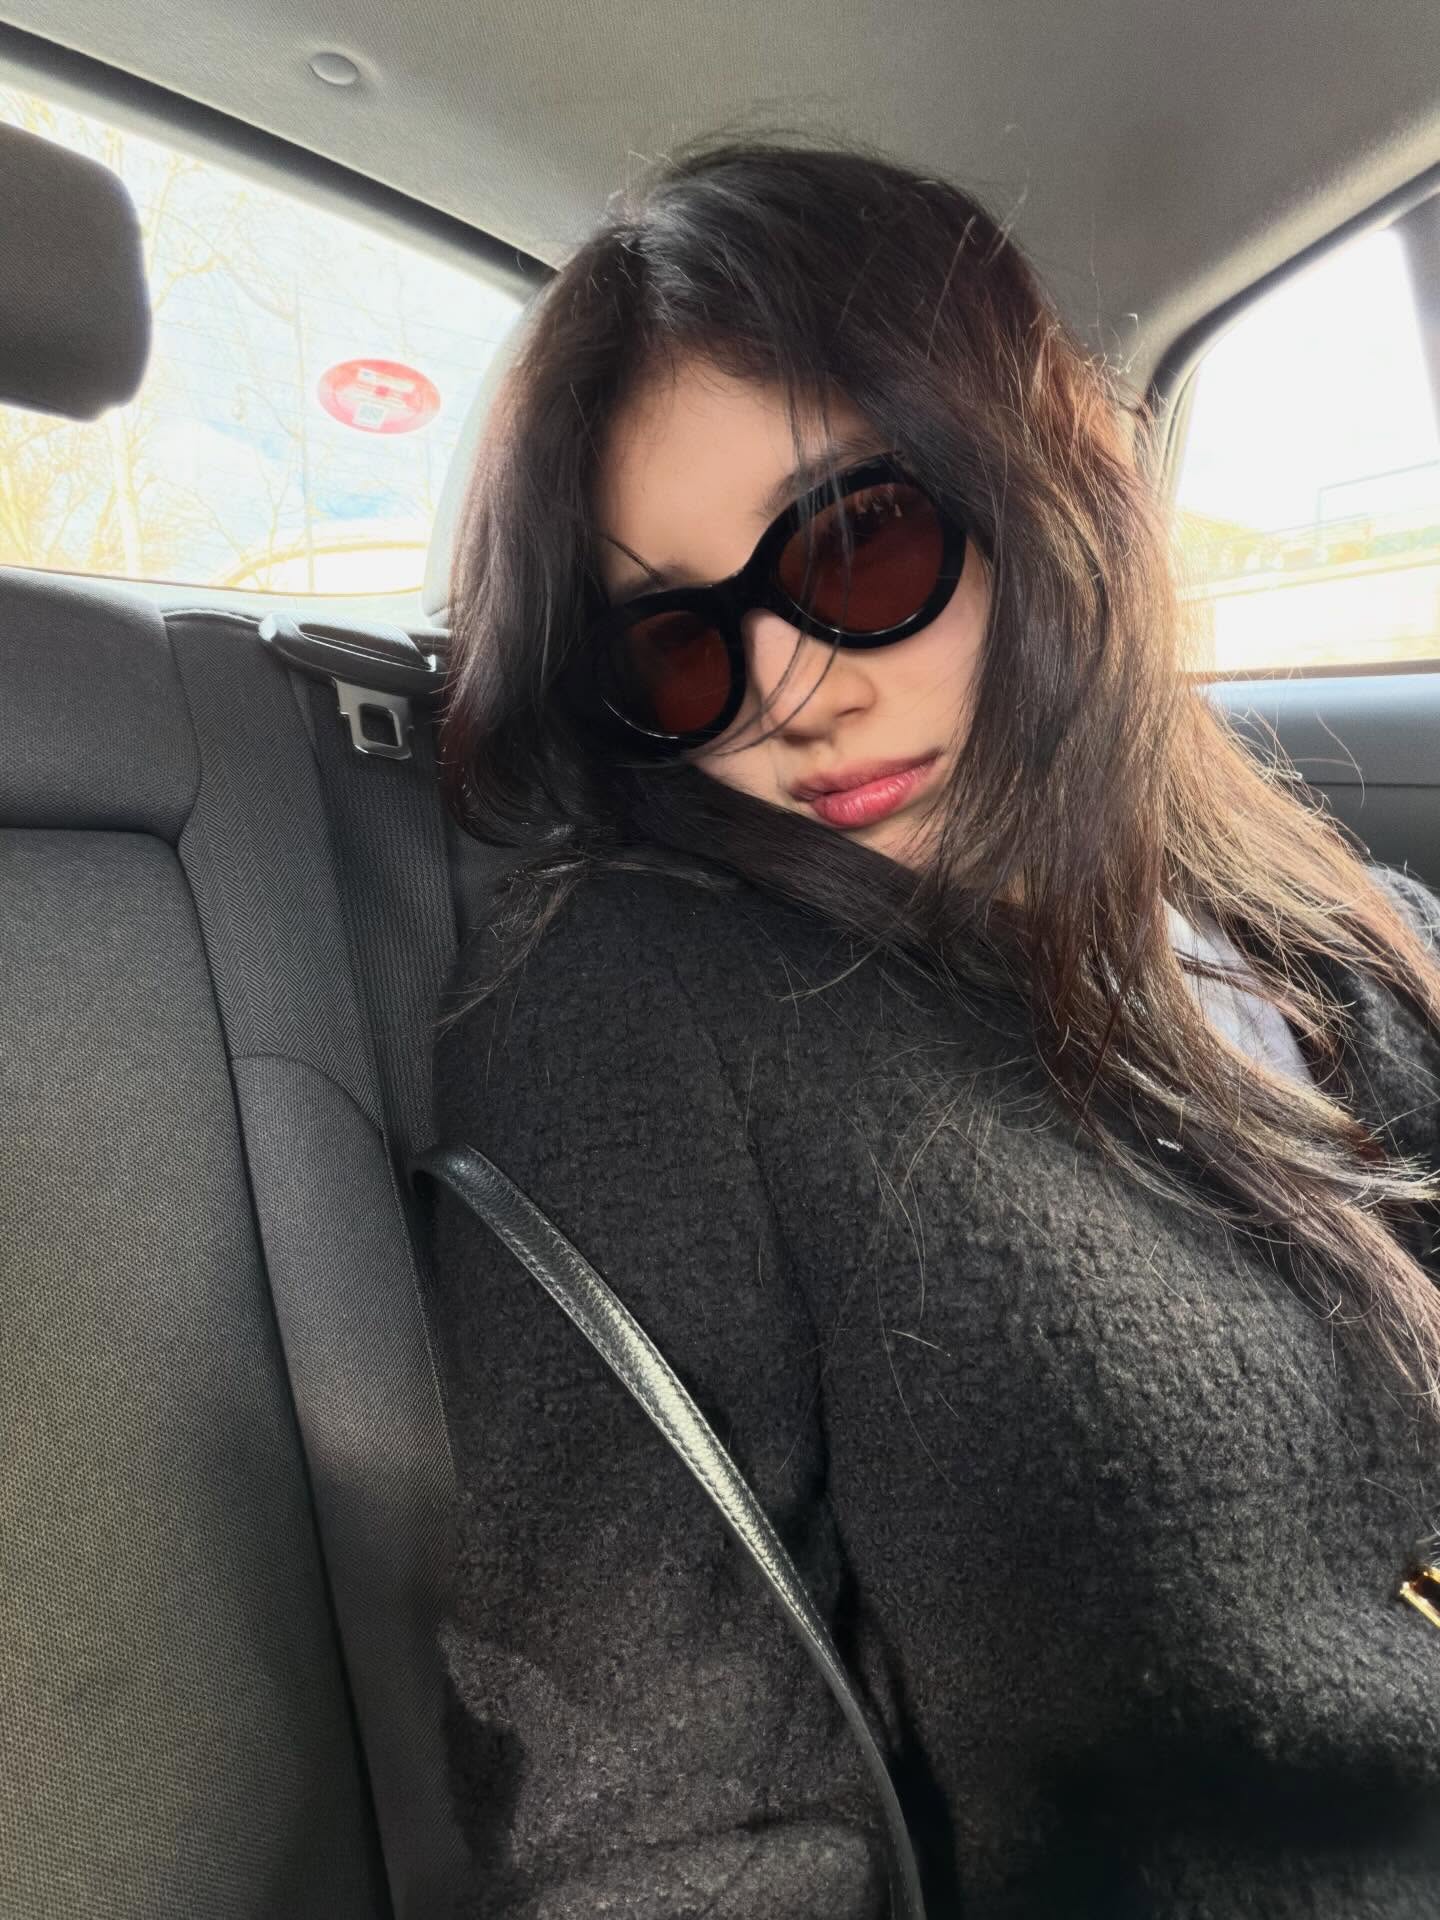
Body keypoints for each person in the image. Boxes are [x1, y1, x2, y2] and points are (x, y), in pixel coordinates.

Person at [420, 137, 1440, 1917]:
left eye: (856, 545)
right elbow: (653, 1826)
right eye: (677, 643)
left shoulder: (1329, 922)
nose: (789, 695)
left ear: (1040, 488)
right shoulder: (647, 1001)